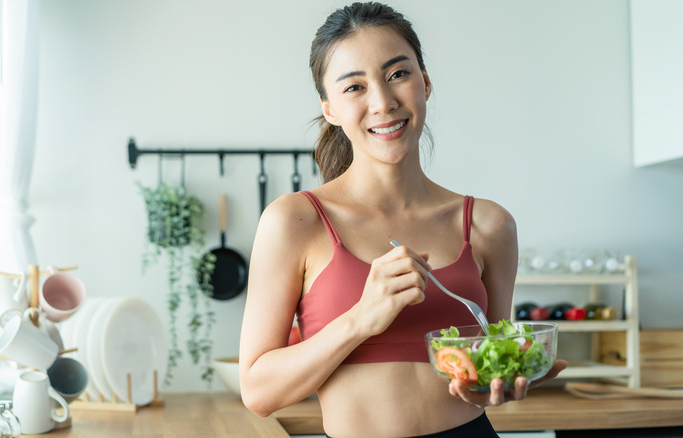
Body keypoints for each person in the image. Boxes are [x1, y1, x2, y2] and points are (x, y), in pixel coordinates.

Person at [239, 2, 567, 437]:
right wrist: (361, 317)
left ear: (425, 82)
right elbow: (259, 392)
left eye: (398, 74)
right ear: (330, 109)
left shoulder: (489, 225)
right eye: (354, 87)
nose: (383, 102)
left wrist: (492, 384)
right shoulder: (295, 222)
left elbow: (490, 360)